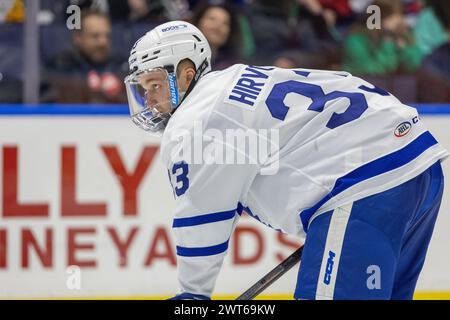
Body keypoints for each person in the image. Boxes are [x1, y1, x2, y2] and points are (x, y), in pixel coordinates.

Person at [124, 21, 448, 300]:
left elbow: (201, 215)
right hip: (419, 168)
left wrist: (193, 292)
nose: (148, 98)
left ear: (185, 74)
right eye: (143, 89)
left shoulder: (193, 120)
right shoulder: (236, 81)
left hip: (365, 185)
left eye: (154, 84)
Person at [44, 9, 127, 103]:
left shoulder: (122, 65)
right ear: (78, 37)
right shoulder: (60, 66)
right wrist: (85, 87)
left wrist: (117, 93)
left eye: (107, 36)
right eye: (95, 36)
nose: (103, 42)